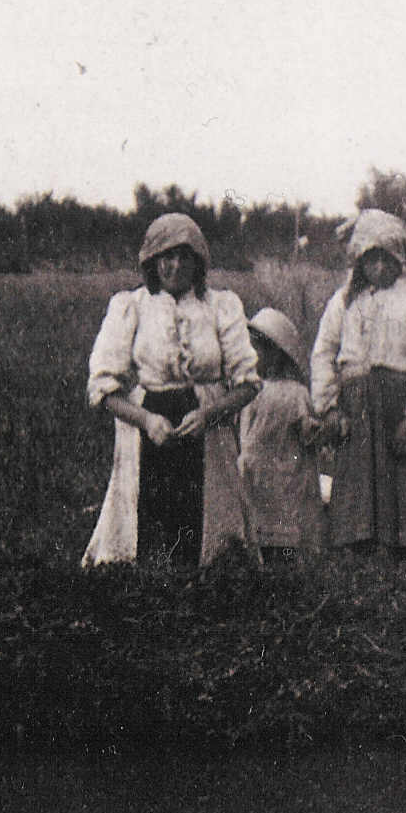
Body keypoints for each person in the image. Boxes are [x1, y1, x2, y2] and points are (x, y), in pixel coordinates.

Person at [84, 213, 261, 569]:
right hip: (150, 427)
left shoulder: (221, 306)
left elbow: (248, 383)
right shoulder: (131, 306)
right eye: (167, 256)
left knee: (208, 538)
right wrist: (147, 420)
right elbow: (103, 388)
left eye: (185, 256)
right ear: (152, 261)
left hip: (206, 428)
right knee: (148, 529)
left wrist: (210, 414)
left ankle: (210, 575)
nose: (176, 266)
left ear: (199, 262)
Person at [310, 209, 406, 555]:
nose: (380, 268)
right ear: (359, 261)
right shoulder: (343, 302)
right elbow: (323, 353)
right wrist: (329, 407)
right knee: (355, 474)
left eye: (388, 260)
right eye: (372, 260)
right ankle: (354, 544)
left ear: (400, 261)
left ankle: (397, 546)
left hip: (396, 404)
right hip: (355, 404)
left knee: (398, 475)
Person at [239, 309, 326, 562]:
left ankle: (285, 565)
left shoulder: (295, 393)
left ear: (276, 354)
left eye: (257, 350)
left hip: (287, 478)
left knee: (285, 534)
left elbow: (308, 432)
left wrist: (314, 429)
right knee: (259, 529)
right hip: (256, 476)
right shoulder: (249, 391)